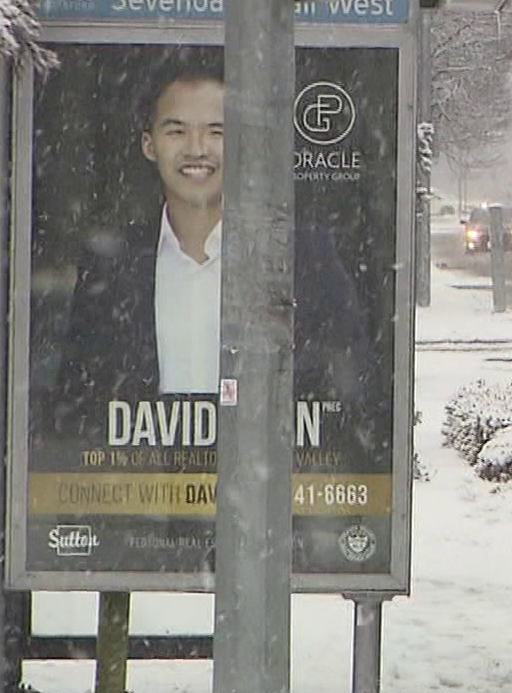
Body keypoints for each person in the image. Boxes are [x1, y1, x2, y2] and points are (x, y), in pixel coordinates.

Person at [53, 67, 372, 438]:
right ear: (149, 144)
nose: (197, 148)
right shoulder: (110, 266)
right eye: (176, 130)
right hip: (144, 486)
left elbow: (352, 390)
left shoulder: (305, 256)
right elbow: (77, 403)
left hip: (269, 490)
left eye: (217, 132)